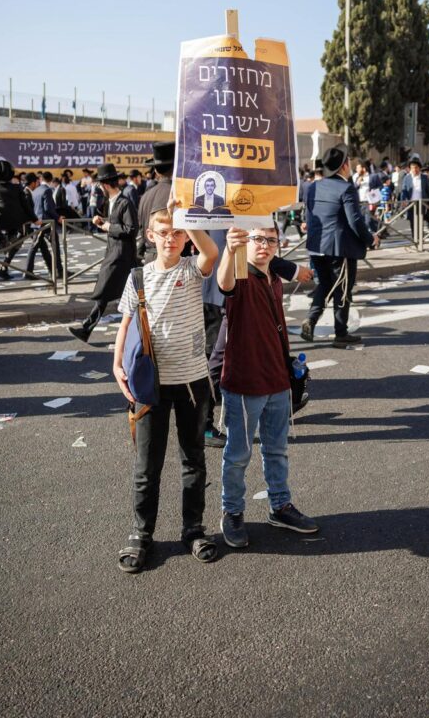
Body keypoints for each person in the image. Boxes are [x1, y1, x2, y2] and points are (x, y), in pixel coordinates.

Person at [113, 204, 219, 573]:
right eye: (164, 231)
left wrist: (188, 219)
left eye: (177, 232)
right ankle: (142, 534)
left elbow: (212, 253)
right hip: (150, 386)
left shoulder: (193, 269)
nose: (171, 238)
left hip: (192, 382)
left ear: (185, 237)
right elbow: (126, 325)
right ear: (150, 236)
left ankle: (193, 529)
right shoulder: (137, 277)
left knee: (193, 460)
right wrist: (116, 364)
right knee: (147, 466)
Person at [218, 224, 319, 549]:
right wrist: (231, 250)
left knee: (277, 450)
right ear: (246, 242)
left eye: (270, 240)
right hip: (244, 382)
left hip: (276, 380)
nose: (263, 245)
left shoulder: (273, 277)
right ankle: (232, 512)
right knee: (237, 454)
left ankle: (280, 506)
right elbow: (225, 283)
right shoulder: (241, 275)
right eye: (256, 239)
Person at [301, 143, 378, 347]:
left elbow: (309, 215)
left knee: (325, 284)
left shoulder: (314, 186)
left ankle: (311, 320)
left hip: (317, 246)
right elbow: (355, 221)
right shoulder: (346, 188)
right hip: (339, 248)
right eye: (349, 161)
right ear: (344, 166)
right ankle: (340, 333)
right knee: (342, 289)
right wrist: (371, 239)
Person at [69, 163, 139, 342]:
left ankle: (87, 328)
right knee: (117, 293)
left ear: (106, 185)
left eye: (100, 185)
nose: (99, 188)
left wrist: (108, 226)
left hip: (122, 256)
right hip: (115, 253)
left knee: (106, 289)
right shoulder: (112, 201)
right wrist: (102, 222)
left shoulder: (125, 202)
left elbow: (131, 229)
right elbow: (116, 224)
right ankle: (87, 329)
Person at [0, 158, 37, 279]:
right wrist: (34, 219)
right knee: (16, 243)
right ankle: (5, 266)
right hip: (18, 221)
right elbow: (25, 205)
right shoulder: (17, 188)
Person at [138, 142, 175, 262]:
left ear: (156, 171)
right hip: (172, 258)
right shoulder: (177, 195)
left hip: (150, 258)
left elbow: (141, 228)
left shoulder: (145, 196)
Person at [26, 171, 63, 279]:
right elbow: (48, 208)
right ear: (51, 180)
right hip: (46, 223)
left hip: (36, 223)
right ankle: (59, 271)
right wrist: (58, 218)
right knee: (55, 247)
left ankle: (29, 271)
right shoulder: (47, 190)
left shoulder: (35, 190)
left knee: (35, 248)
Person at [399, 159, 429, 236]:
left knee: (420, 220)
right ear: (410, 169)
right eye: (412, 168)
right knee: (412, 220)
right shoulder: (407, 178)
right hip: (411, 203)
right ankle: (414, 237)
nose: (414, 170)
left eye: (416, 167)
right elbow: (404, 190)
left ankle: (420, 237)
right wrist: (403, 200)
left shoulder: (424, 177)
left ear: (419, 168)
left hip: (422, 203)